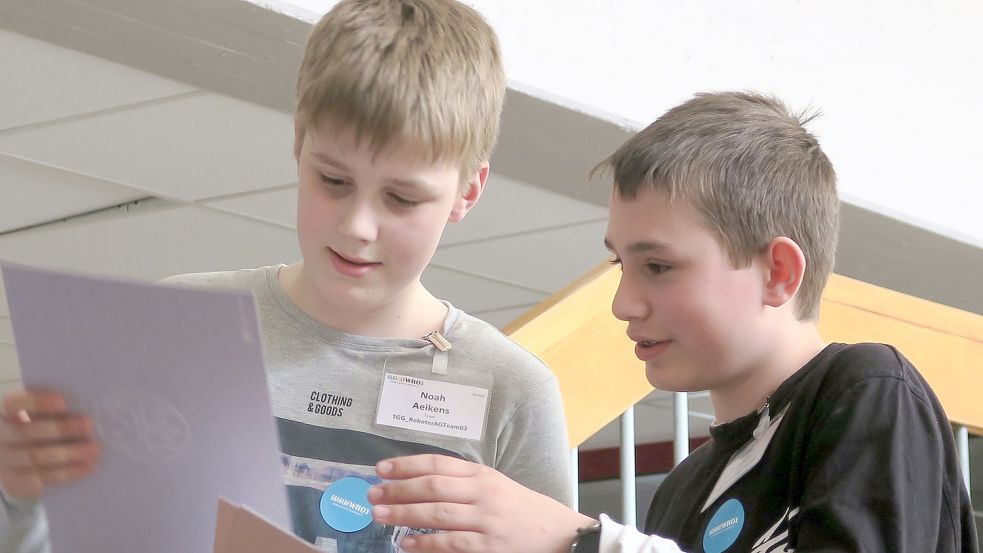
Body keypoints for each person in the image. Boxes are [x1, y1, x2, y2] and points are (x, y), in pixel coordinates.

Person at [0, 1, 572, 551]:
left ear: (467, 191)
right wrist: (18, 495)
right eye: (333, 181)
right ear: (299, 142)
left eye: (401, 198)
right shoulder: (175, 323)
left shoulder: (513, 393)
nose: (357, 227)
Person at [366, 91, 980, 553]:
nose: (623, 303)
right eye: (621, 264)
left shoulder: (867, 391)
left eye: (658, 266)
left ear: (778, 273)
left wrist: (579, 540)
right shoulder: (683, 489)